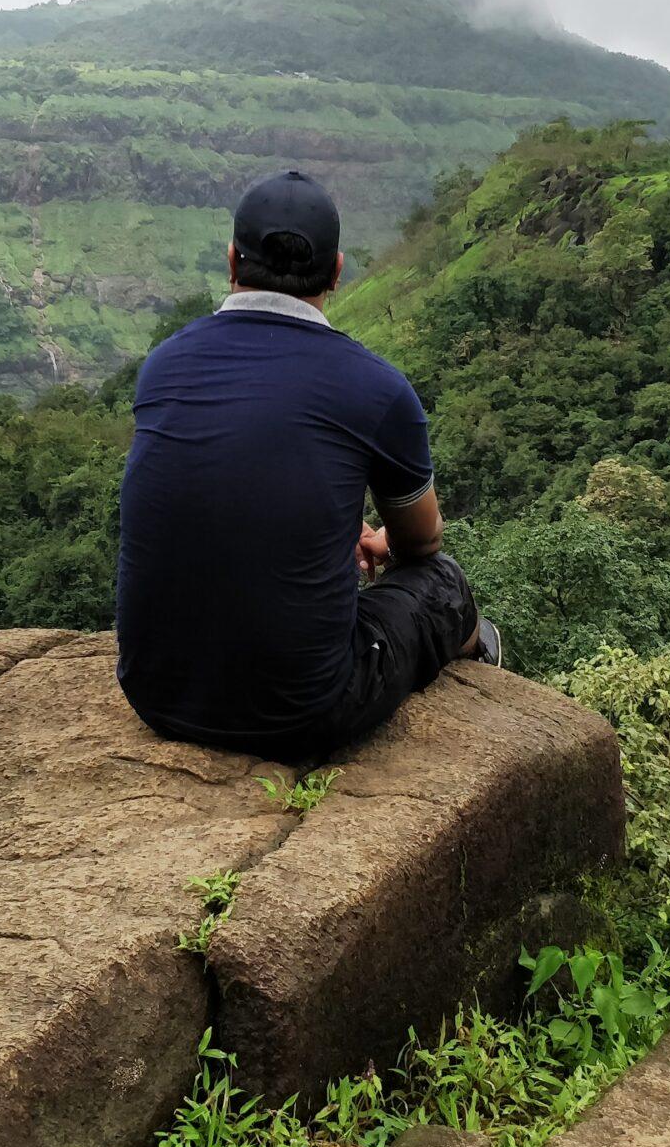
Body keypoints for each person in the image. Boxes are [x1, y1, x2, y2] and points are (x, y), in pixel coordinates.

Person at [114, 169, 501, 760]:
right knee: (443, 581)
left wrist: (330, 533)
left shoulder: (165, 364)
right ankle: (486, 671)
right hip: (304, 710)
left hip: (156, 693)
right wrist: (373, 542)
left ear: (231, 261)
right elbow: (421, 544)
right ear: (338, 272)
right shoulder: (375, 387)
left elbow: (219, 483)